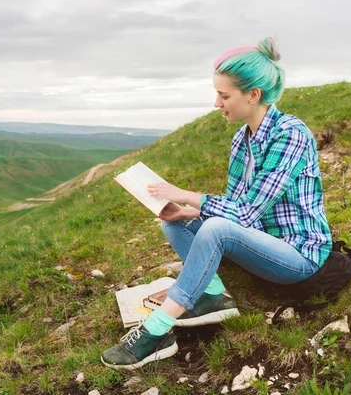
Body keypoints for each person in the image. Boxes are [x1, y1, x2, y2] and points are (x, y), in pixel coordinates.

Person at [101, 36, 333, 370]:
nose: (216, 103)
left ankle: (157, 331)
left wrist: (184, 193)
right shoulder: (242, 139)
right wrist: (185, 211)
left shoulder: (290, 134)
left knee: (216, 228)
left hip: (298, 255)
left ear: (253, 95)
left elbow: (246, 213)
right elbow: (238, 205)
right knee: (175, 219)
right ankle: (210, 295)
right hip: (260, 242)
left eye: (224, 96)